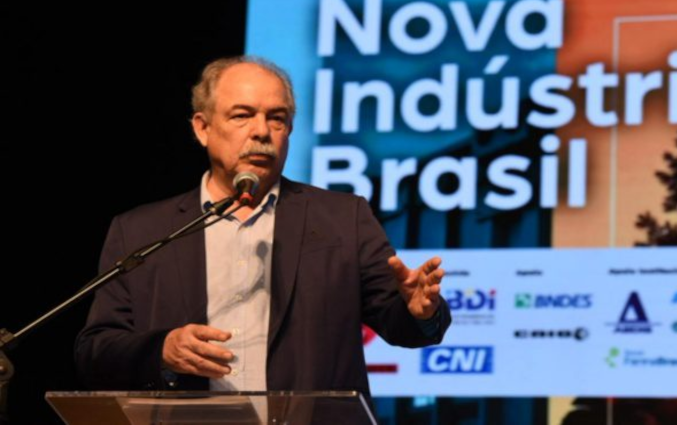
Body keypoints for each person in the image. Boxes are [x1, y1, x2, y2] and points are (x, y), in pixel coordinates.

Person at [74, 56, 450, 397]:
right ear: (202, 128)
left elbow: (402, 325)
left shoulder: (342, 218)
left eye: (277, 118)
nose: (262, 131)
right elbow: (96, 350)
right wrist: (162, 350)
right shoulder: (141, 232)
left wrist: (420, 311)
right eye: (242, 116)